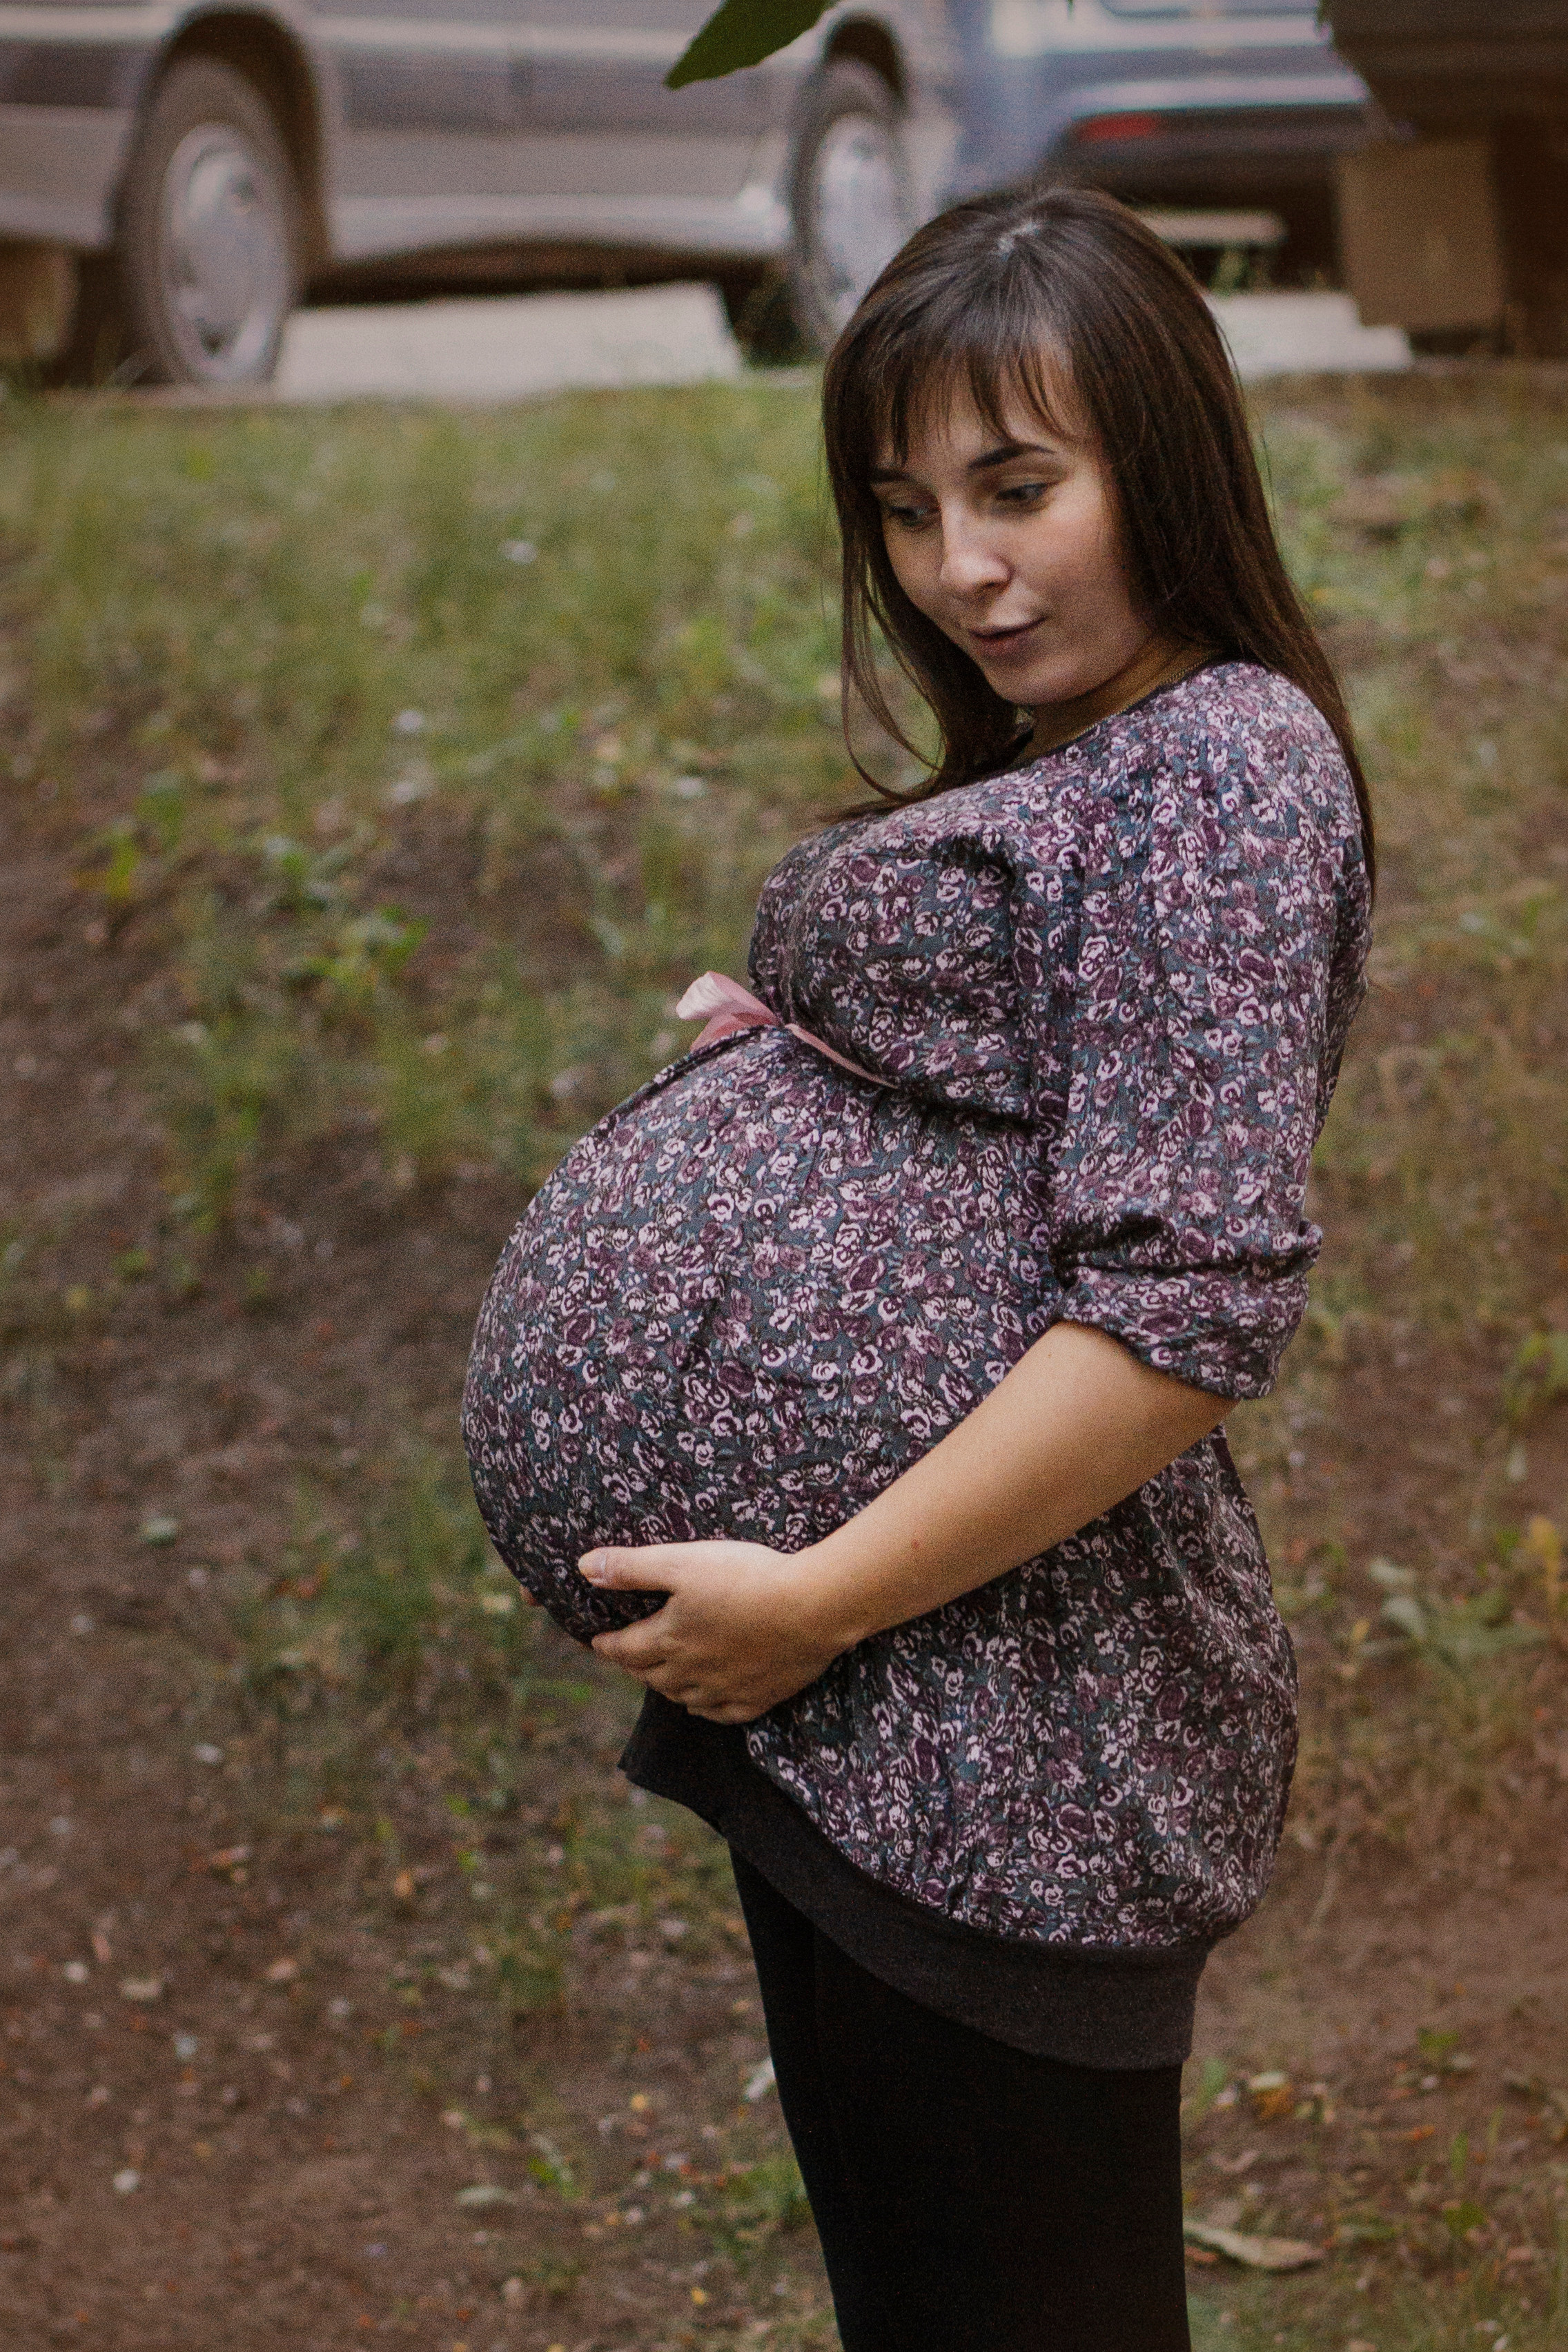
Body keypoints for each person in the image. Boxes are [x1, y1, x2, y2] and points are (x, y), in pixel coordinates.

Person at [462, 184, 1373, 2352]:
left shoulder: (1226, 761)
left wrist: (821, 1597)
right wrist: (828, 1069)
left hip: (1003, 1730)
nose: (958, 566)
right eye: (904, 507)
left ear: (1167, 459)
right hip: (894, 1717)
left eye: (1018, 488)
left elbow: (1184, 1320)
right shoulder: (1098, 758)